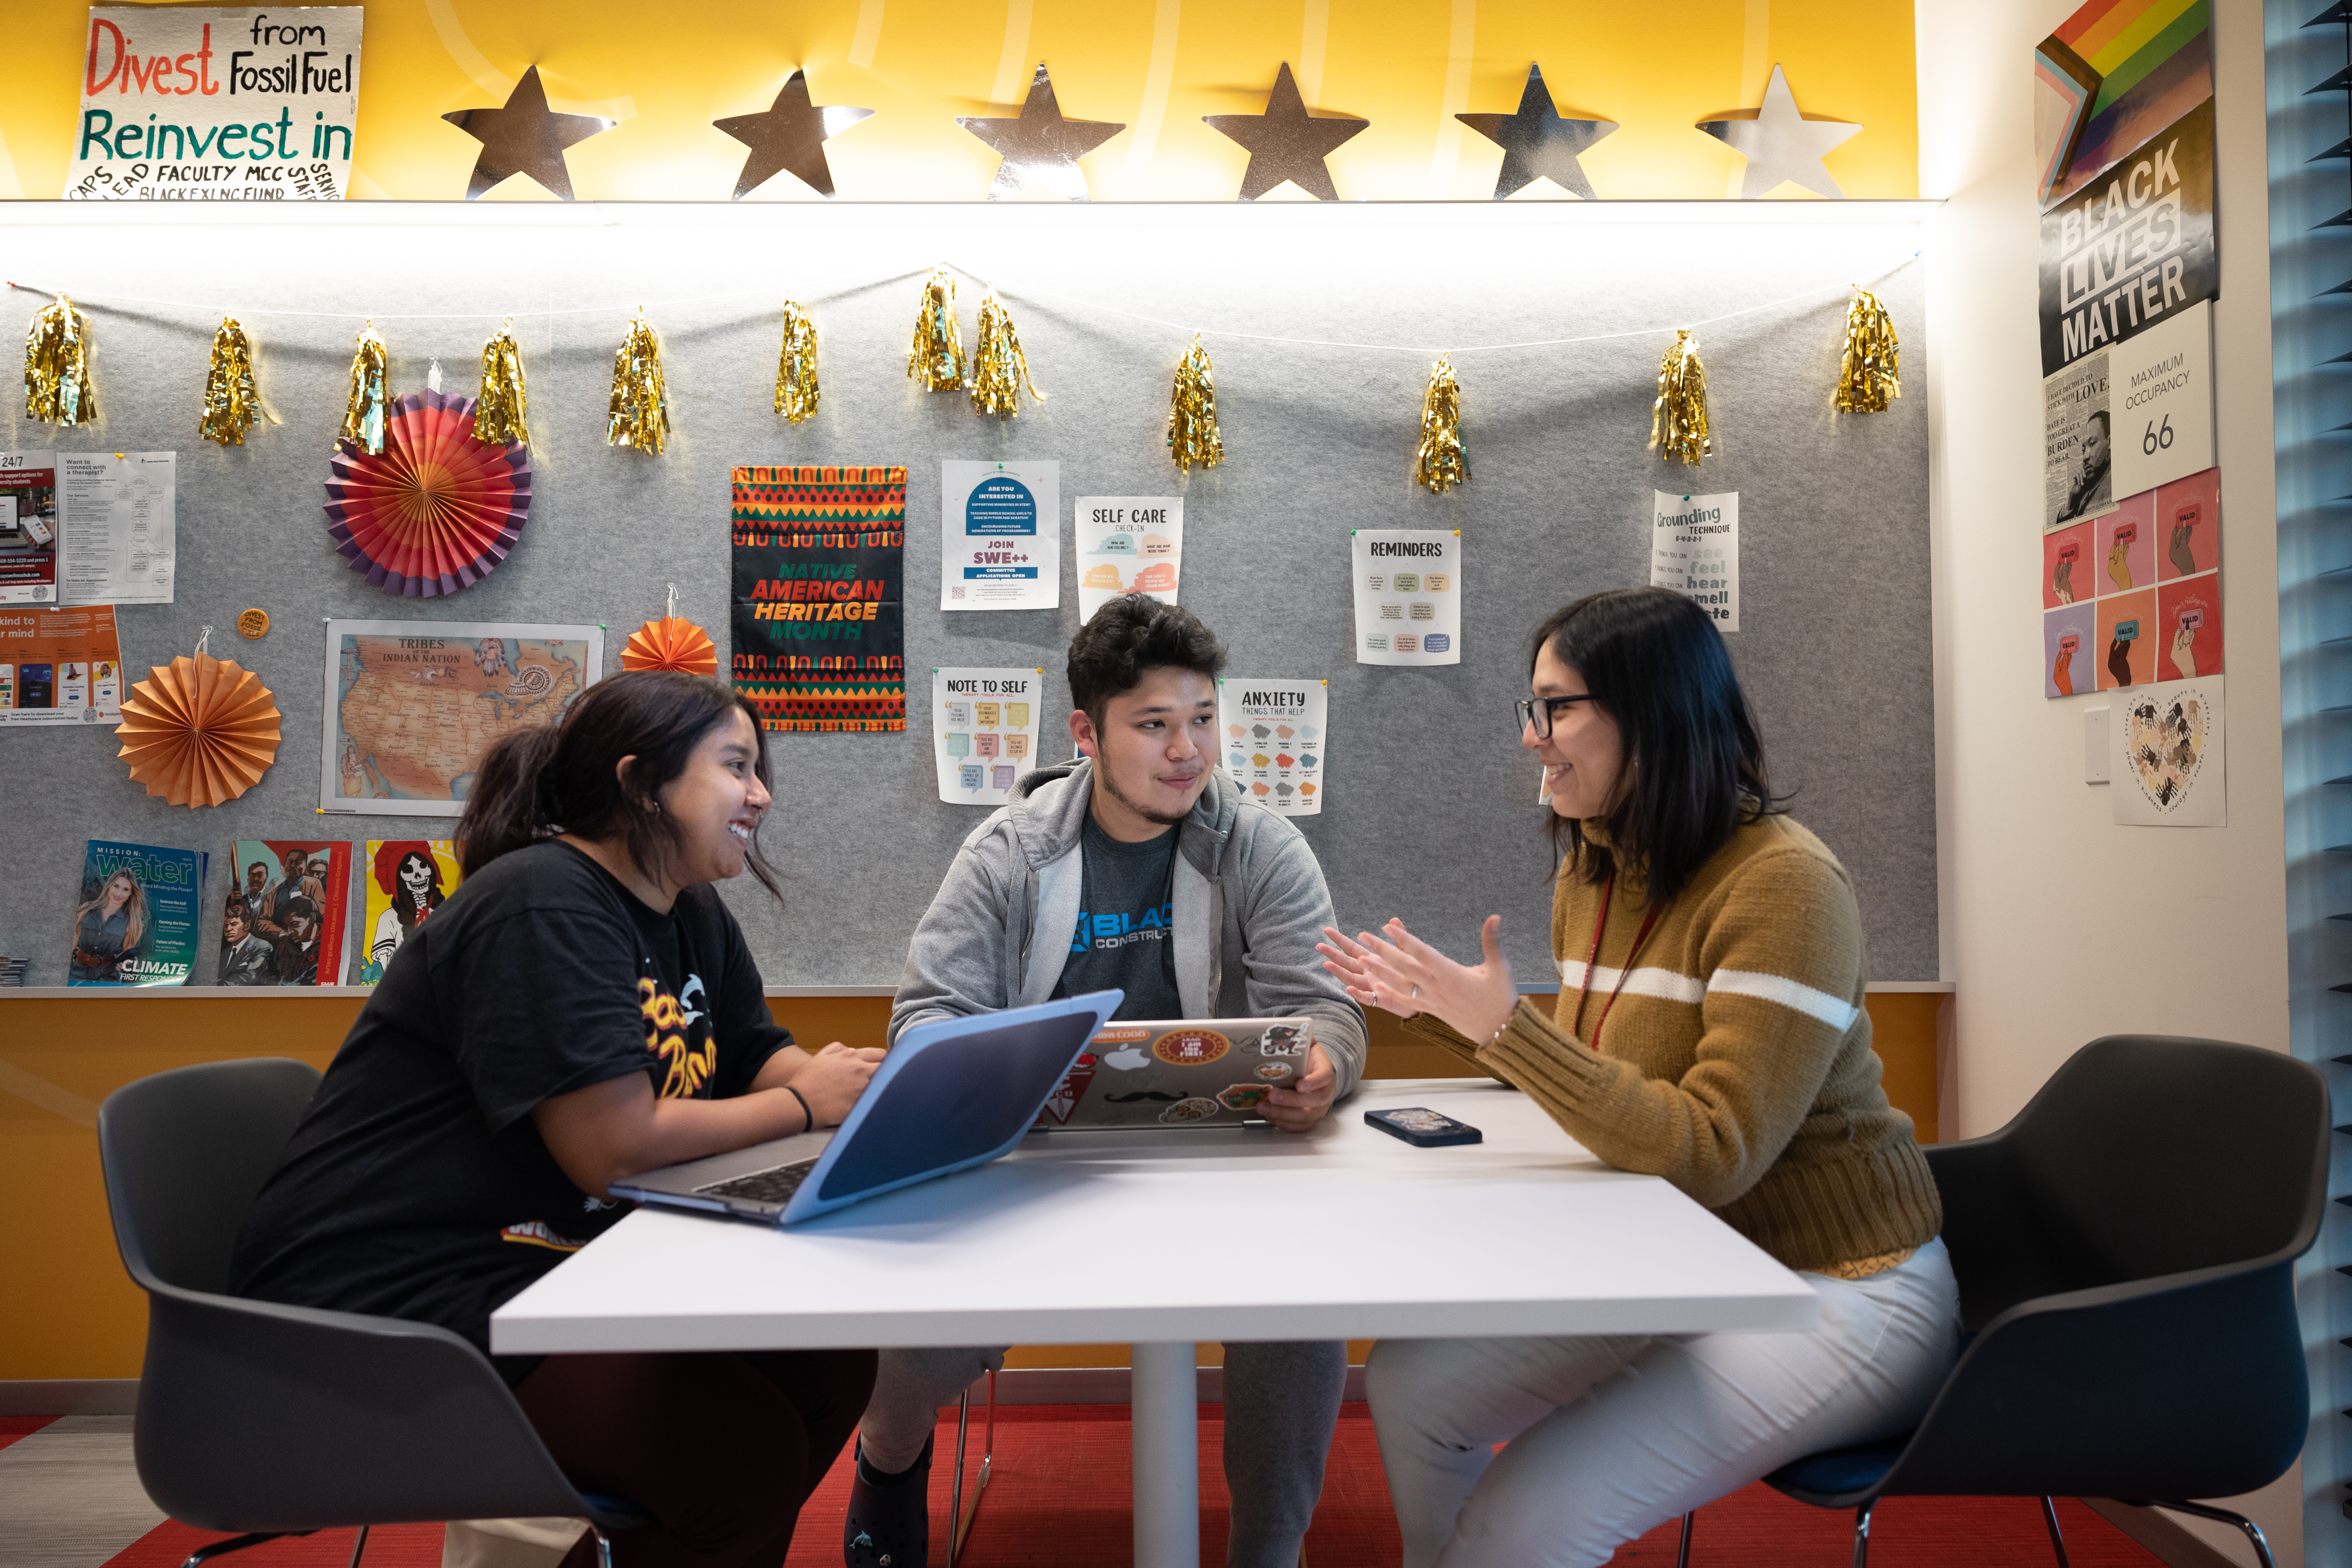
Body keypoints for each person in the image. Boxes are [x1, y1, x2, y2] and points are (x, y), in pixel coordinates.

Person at [1319, 588, 1955, 1568]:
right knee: (1410, 1386)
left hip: (1842, 1288)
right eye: (1532, 710)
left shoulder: (1784, 886)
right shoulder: (1597, 869)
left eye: (1556, 706)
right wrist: (1449, 1014)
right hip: (1685, 1261)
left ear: (1652, 713)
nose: (1534, 738)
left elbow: (1710, 1150)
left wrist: (1504, 1029)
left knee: (1526, 1519)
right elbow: (1604, 1090)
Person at [231, 670, 885, 1568]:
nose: (762, 793)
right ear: (640, 782)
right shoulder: (542, 901)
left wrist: (858, 1087)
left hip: (517, 1267)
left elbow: (753, 1051)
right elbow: (611, 1149)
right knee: (733, 1456)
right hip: (380, 1306)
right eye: (737, 765)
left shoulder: (688, 908)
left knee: (825, 1364)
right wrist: (808, 1101)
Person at [858, 595, 1367, 1568]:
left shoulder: (1261, 845)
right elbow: (925, 1018)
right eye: (1155, 725)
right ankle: (889, 1461)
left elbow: (1327, 1011)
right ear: (1086, 733)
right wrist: (985, 1081)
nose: (1189, 751)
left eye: (1203, 719)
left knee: (1302, 1306)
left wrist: (1326, 1065)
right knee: (905, 1280)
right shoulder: (1009, 851)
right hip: (1033, 1163)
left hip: (1223, 1167)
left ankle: (1270, 1552)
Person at [370, 842, 447, 973]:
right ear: (397, 879)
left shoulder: (448, 910)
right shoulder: (389, 918)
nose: (418, 875)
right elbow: (385, 962)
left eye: (424, 866)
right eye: (408, 870)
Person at [69, 867, 146, 983]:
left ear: (131, 893)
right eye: (116, 886)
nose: (119, 893)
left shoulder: (131, 921)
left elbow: (128, 954)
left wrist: (125, 965)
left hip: (108, 978)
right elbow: (74, 938)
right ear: (110, 886)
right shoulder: (87, 908)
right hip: (77, 973)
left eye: (126, 890)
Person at [218, 895, 274, 986]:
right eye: (225, 926)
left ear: (247, 926)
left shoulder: (262, 946)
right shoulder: (225, 953)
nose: (228, 929)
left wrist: (216, 986)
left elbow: (251, 976)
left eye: (234, 924)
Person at [271, 895, 323, 986]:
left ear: (312, 918)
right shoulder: (284, 947)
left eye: (295, 924)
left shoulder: (330, 943)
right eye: (287, 926)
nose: (290, 931)